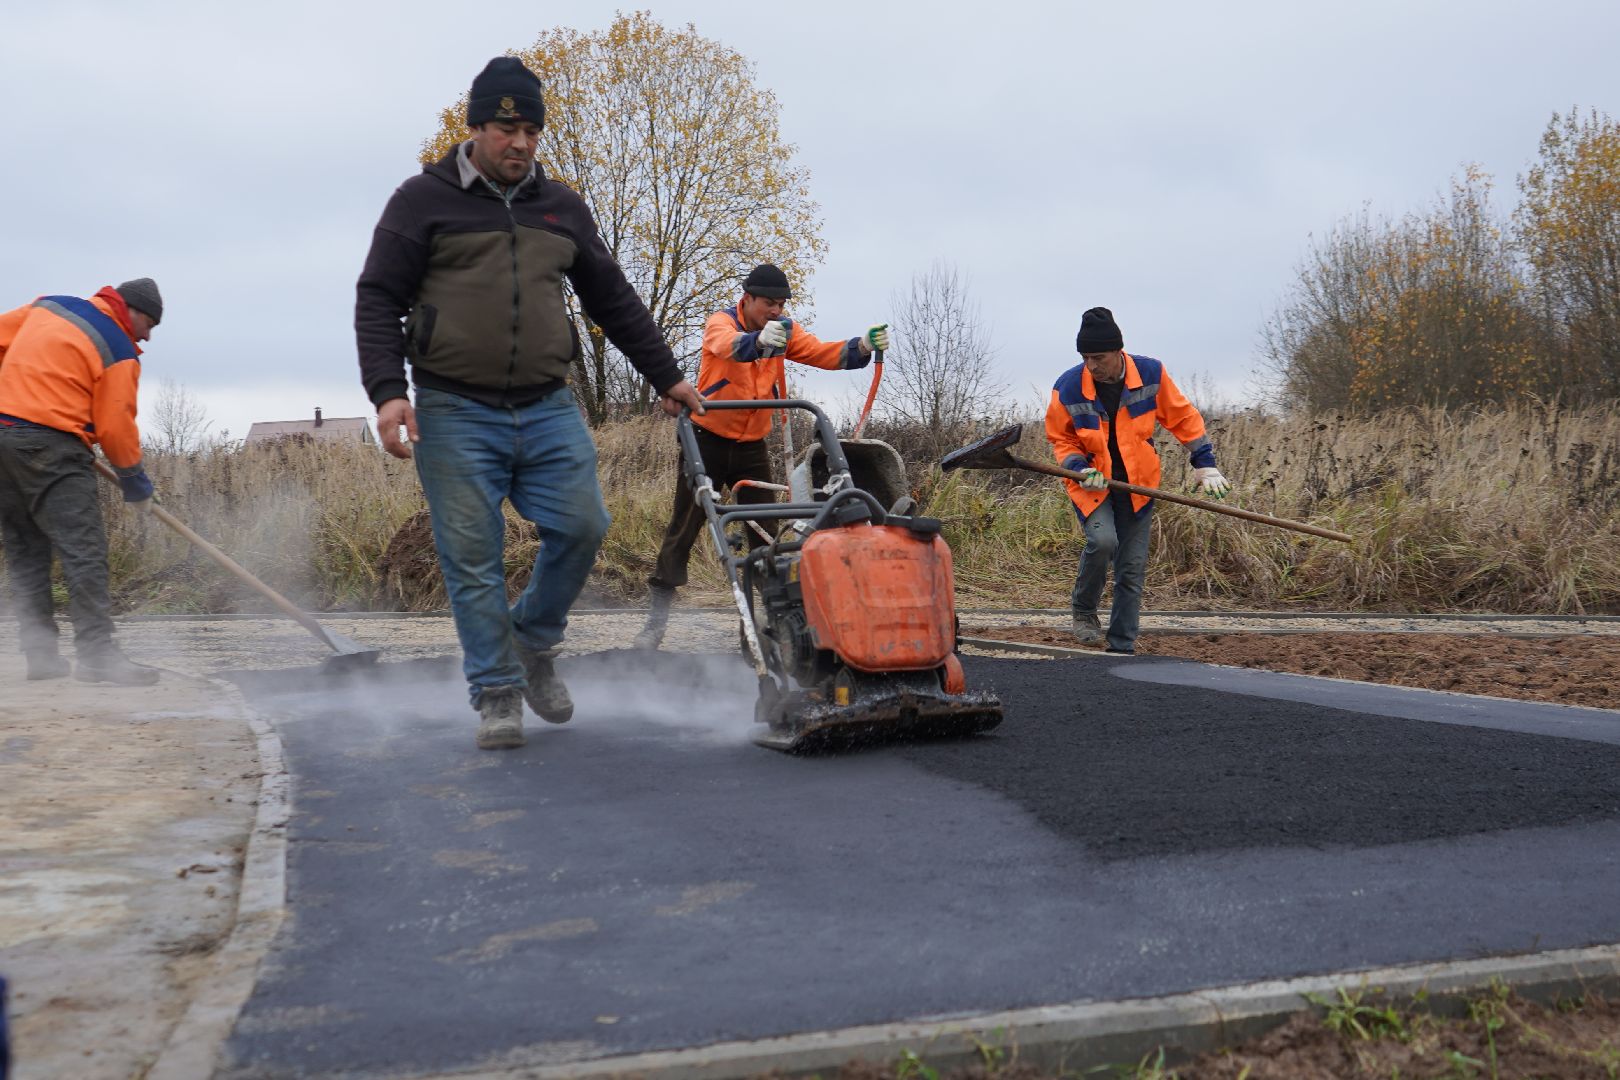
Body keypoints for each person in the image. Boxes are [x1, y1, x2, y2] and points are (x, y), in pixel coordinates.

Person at [356, 56, 705, 751]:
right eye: (505, 129)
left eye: (531, 132)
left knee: (583, 525)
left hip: (548, 406)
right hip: (453, 409)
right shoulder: (421, 202)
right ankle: (496, 692)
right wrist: (389, 393)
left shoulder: (561, 207)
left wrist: (667, 375)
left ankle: (533, 642)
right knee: (473, 557)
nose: (520, 143)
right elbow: (378, 299)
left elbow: (613, 298)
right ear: (476, 127)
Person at [633, 263, 889, 650]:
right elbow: (728, 346)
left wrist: (862, 347)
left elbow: (822, 352)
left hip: (751, 446)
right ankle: (655, 624)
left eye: (781, 304)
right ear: (748, 298)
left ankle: (763, 629)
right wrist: (756, 342)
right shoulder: (720, 323)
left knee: (766, 535)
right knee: (684, 527)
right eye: (769, 303)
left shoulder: (784, 330)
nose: (776, 310)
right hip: (706, 439)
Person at [0, 278, 164, 685]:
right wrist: (135, 483)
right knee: (84, 550)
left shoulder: (49, 306)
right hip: (52, 446)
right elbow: (115, 426)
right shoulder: (118, 349)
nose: (147, 336)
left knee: (26, 552)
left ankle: (41, 657)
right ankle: (97, 657)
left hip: (3, 440)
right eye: (149, 325)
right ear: (131, 311)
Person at [1044, 306, 1230, 654]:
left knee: (1131, 568)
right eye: (1085, 358)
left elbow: (1183, 418)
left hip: (1138, 485)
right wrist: (1078, 468)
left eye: (1099, 357)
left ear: (1118, 351)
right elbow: (1061, 438)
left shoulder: (1150, 374)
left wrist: (1204, 463)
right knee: (1103, 542)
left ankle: (1121, 646)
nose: (1092, 366)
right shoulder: (1068, 386)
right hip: (1091, 484)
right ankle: (1084, 612)